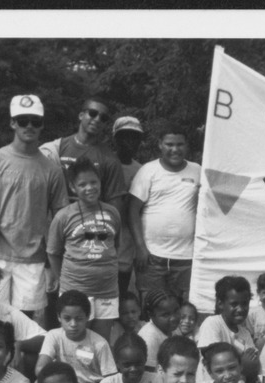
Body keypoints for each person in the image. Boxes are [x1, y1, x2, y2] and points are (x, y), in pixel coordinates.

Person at [0, 95, 67, 322]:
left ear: (42, 125)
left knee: (22, 321)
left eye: (35, 121)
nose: (29, 126)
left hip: (33, 259)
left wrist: (53, 262)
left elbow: (60, 219)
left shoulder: (52, 170)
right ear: (12, 123)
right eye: (23, 120)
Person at [46, 156, 123, 341]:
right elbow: (53, 252)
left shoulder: (112, 212)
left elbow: (116, 244)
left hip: (107, 290)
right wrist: (63, 280)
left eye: (93, 182)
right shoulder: (64, 216)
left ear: (100, 182)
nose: (89, 188)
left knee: (100, 341)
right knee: (75, 339)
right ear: (73, 187)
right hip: (75, 290)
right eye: (82, 184)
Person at [128, 125, 201, 303]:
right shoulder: (148, 170)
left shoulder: (197, 171)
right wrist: (140, 247)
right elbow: (132, 210)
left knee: (184, 309)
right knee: (151, 306)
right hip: (152, 256)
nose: (175, 149)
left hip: (187, 257)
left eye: (180, 144)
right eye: (169, 144)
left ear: (187, 145)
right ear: (160, 144)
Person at [35, 290, 117, 383]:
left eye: (79, 319)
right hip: (64, 382)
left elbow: (111, 379)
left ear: (87, 317)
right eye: (67, 319)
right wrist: (77, 380)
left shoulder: (99, 343)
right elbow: (40, 368)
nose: (73, 324)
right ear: (59, 317)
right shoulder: (53, 336)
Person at [195, 275, 260, 383]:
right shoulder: (212, 323)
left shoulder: (245, 333)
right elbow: (213, 358)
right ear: (220, 304)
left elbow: (253, 364)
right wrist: (242, 363)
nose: (240, 309)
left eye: (245, 304)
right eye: (234, 304)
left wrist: (247, 365)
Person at [111, 116, 147, 298]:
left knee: (121, 293)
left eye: (135, 138)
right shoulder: (104, 163)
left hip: (126, 243)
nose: (129, 142)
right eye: (124, 136)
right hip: (103, 241)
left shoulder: (142, 171)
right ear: (115, 139)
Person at [89, 333, 158, 383]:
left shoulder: (156, 381)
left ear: (145, 360)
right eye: (127, 365)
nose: (133, 369)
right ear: (117, 364)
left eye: (138, 364)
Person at [139, 289, 181, 372]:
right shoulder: (149, 337)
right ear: (150, 315)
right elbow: (148, 372)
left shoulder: (172, 328)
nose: (173, 318)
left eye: (176, 311)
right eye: (165, 315)